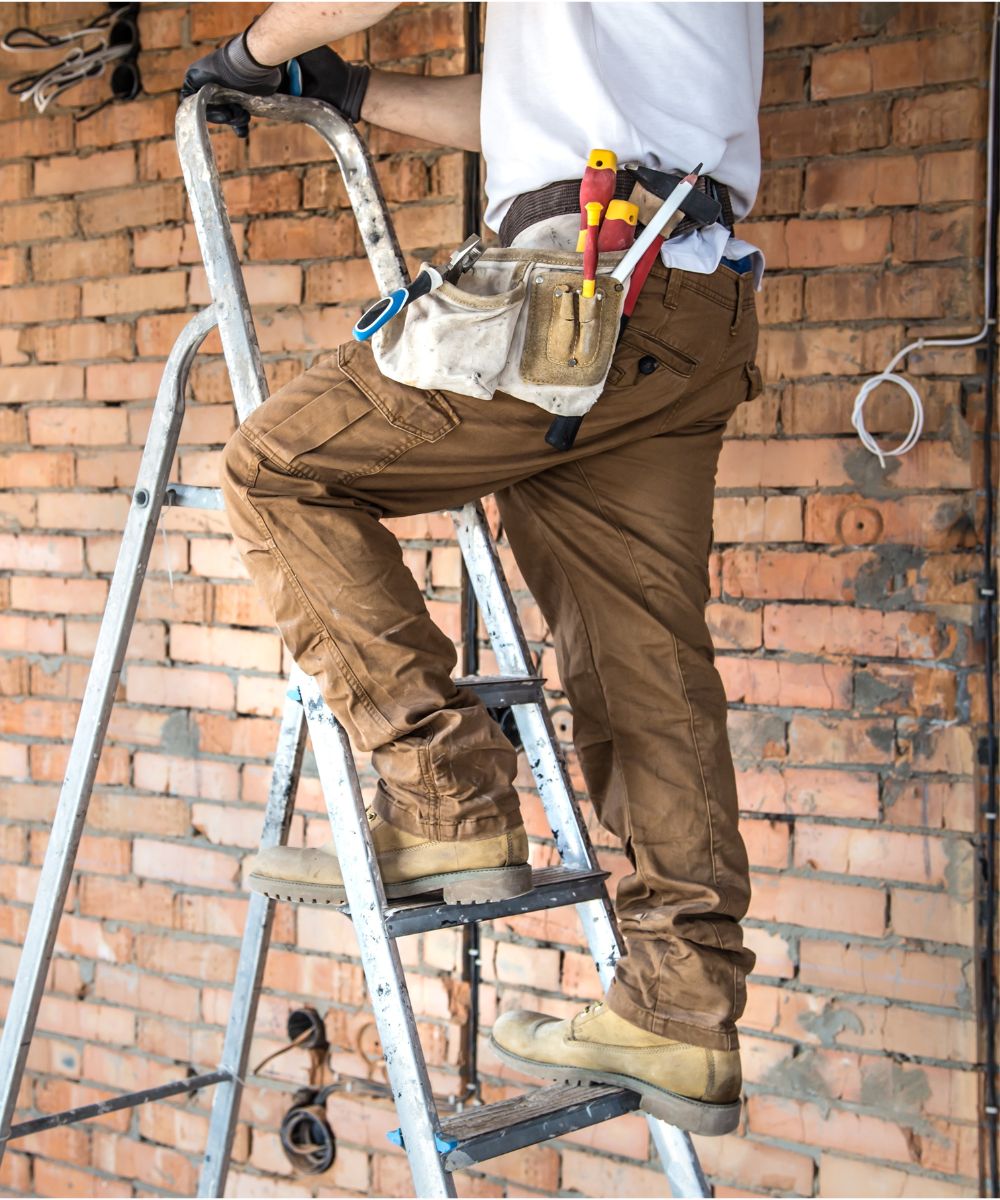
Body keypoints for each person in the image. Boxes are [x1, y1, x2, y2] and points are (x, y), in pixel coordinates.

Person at [181, 1, 764, 1137]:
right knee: (646, 671)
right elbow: (522, 115)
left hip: (584, 286)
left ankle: (444, 796)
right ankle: (682, 1012)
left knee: (278, 472)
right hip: (685, 298)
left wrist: (253, 50)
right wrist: (344, 92)